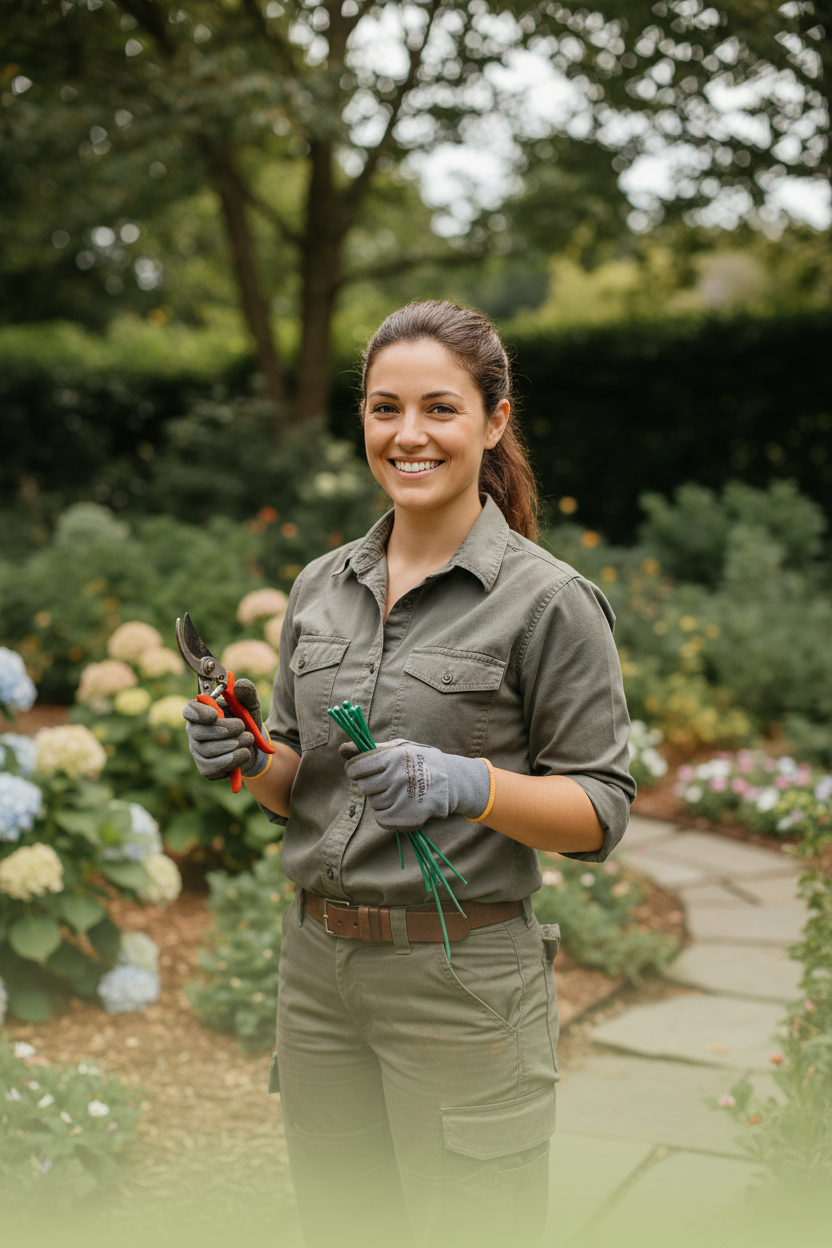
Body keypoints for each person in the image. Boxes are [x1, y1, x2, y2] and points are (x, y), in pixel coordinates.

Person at [184, 301, 635, 1248]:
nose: (408, 434)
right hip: (318, 971)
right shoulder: (320, 587)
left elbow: (600, 811)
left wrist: (470, 784)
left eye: (440, 408)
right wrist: (250, 755)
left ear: (494, 421)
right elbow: (299, 784)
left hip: (461, 981)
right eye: (385, 408)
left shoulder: (548, 603)